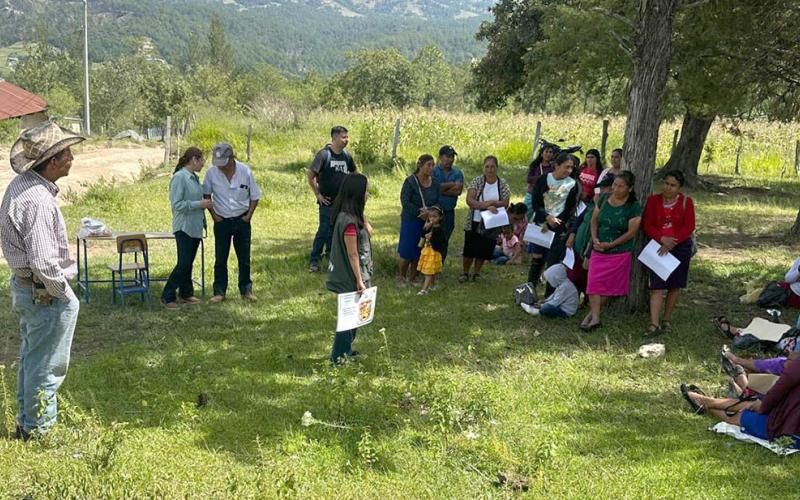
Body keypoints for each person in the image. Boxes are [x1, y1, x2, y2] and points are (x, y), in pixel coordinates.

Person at [1, 121, 85, 440]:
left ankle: (27, 423)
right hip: (43, 292)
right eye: (67, 155)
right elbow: (43, 260)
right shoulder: (37, 199)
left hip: (27, 288)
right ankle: (39, 430)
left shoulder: (22, 186)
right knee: (47, 364)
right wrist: (63, 293)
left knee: (33, 359)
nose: (71, 160)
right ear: (52, 162)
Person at [681, 356, 800, 449]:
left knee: (744, 417)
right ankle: (705, 401)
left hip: (790, 429)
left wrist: (763, 406)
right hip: (788, 415)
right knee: (753, 402)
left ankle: (704, 403)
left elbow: (780, 388)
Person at [582, 171, 642, 331]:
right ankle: (595, 317)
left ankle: (592, 315)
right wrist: (594, 238)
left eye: (620, 186)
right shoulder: (603, 199)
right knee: (593, 283)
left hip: (619, 252)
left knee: (609, 287)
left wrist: (612, 244)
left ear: (629, 188)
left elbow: (630, 233)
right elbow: (594, 221)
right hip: (599, 249)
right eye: (614, 185)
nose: (615, 189)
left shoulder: (633, 207)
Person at [203, 143, 261, 303]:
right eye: (218, 163)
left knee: (244, 257)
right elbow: (206, 195)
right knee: (220, 257)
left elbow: (254, 196)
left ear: (232, 159)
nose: (221, 167)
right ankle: (219, 292)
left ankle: (246, 290)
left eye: (224, 163)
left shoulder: (245, 171)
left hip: (242, 219)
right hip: (221, 220)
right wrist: (214, 216)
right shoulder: (211, 173)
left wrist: (248, 216)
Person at [642, 170, 696, 336]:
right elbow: (647, 224)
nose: (668, 188)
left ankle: (666, 319)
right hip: (658, 247)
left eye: (673, 185)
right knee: (657, 286)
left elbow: (689, 226)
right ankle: (654, 323)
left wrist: (672, 242)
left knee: (674, 285)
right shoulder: (653, 201)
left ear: (679, 187)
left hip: (680, 247)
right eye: (666, 183)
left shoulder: (686, 202)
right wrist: (662, 239)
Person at [326, 173, 373, 364]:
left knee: (355, 318)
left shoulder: (353, 216)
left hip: (355, 275)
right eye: (366, 191)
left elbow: (370, 230)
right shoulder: (349, 222)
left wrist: (362, 214)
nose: (368, 194)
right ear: (357, 193)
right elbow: (352, 254)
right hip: (350, 278)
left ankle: (347, 350)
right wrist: (360, 280)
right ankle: (338, 357)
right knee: (348, 320)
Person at [161, 147, 212, 310]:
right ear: (194, 160)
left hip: (195, 227)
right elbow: (177, 205)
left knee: (188, 262)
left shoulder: (194, 178)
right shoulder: (179, 178)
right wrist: (200, 204)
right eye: (202, 159)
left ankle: (186, 293)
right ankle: (167, 295)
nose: (203, 163)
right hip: (183, 227)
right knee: (183, 263)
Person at [307, 126, 356, 273]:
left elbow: (354, 174)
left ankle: (331, 257)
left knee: (337, 231)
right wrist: (318, 195)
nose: (346, 140)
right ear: (334, 138)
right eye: (343, 137)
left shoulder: (346, 156)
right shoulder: (324, 155)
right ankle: (314, 260)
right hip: (327, 202)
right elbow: (310, 175)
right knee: (324, 230)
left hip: (343, 203)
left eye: (347, 137)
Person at [527, 153, 579, 288]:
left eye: (571, 168)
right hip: (541, 225)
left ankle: (549, 297)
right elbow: (536, 203)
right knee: (536, 259)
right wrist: (546, 217)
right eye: (566, 167)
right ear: (556, 165)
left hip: (559, 229)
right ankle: (529, 290)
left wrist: (556, 221)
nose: (568, 170)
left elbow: (571, 209)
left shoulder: (573, 185)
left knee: (553, 263)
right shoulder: (543, 180)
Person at [461, 155, 511, 282]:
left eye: (492, 167)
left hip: (492, 223)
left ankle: (476, 273)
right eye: (487, 167)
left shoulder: (502, 184)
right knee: (469, 249)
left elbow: (505, 202)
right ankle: (465, 272)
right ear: (483, 168)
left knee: (484, 250)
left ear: (497, 168)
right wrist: (486, 205)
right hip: (475, 221)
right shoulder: (477, 181)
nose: (490, 170)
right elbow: (470, 200)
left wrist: (493, 203)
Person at [566, 175, 615, 298]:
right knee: (574, 273)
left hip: (592, 246)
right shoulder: (590, 205)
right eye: (600, 188)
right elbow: (579, 220)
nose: (601, 191)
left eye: (604, 188)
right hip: (578, 244)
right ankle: (573, 297)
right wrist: (572, 235)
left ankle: (587, 298)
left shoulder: (609, 207)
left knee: (587, 274)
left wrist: (599, 202)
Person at [398, 154, 440, 285]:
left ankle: (413, 277)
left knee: (420, 249)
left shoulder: (435, 183)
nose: (431, 168)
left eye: (433, 165)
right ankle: (401, 277)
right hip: (411, 220)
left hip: (428, 222)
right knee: (407, 251)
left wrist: (431, 213)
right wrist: (419, 212)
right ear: (420, 166)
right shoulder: (410, 182)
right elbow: (405, 201)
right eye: (428, 165)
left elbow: (438, 201)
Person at [431, 145, 464, 261]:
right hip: (434, 212)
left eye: (452, 157)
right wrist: (451, 184)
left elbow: (458, 190)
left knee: (444, 239)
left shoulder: (457, 173)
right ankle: (426, 265)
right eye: (447, 157)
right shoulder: (433, 171)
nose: (450, 160)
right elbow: (435, 188)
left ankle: (439, 264)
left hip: (449, 211)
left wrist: (442, 189)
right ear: (440, 157)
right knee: (431, 239)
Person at [417, 206, 446, 295]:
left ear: (440, 217)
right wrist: (426, 227)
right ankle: (433, 286)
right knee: (431, 270)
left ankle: (424, 289)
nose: (432, 219)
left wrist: (432, 237)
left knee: (428, 272)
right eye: (430, 216)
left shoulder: (440, 229)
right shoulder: (428, 226)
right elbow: (423, 234)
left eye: (435, 217)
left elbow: (441, 242)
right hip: (427, 251)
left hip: (434, 252)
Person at [524, 144, 556, 219]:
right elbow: (529, 179)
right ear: (541, 154)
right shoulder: (535, 165)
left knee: (540, 220)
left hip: (545, 197)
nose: (548, 154)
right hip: (531, 194)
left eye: (551, 152)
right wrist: (541, 178)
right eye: (546, 152)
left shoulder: (554, 167)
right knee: (525, 217)